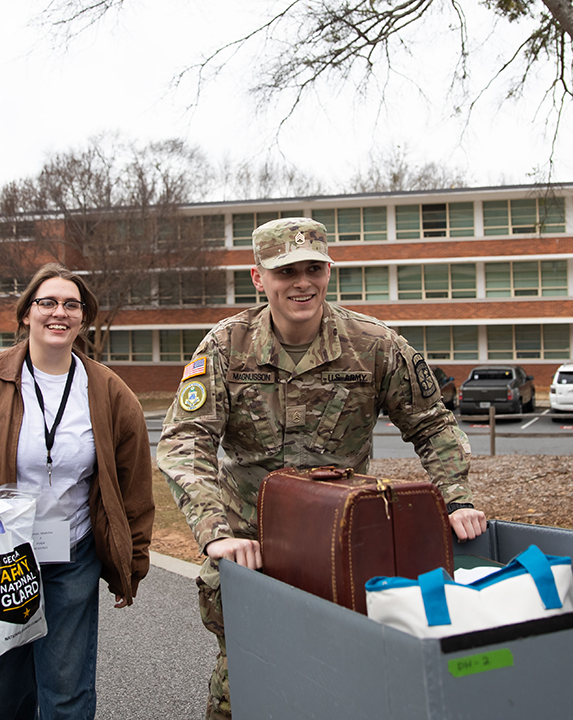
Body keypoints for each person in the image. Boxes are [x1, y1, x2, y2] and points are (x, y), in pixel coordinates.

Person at [157, 217, 487, 720]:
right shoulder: (227, 347)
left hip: (344, 547)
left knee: (345, 684)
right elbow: (185, 440)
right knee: (244, 685)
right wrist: (214, 530)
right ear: (258, 277)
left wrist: (457, 498)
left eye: (313, 268)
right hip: (253, 549)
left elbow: (433, 424)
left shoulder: (374, 346)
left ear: (329, 271)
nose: (302, 282)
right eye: (286, 271)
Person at [0, 263, 155, 720]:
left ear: (83, 318)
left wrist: (133, 561)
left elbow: (134, 483)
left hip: (73, 555)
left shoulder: (109, 391)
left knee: (66, 692)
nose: (59, 312)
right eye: (47, 302)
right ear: (26, 313)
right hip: (0, 555)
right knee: (0, 693)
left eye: (72, 304)